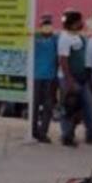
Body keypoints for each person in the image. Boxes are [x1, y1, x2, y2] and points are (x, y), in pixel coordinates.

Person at [57, 9, 92, 147]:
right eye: (79, 21)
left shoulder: (77, 35)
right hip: (69, 79)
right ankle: (67, 135)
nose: (81, 23)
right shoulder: (65, 38)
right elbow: (63, 60)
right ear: (73, 23)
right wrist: (69, 80)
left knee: (84, 106)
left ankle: (88, 134)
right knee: (69, 107)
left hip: (81, 77)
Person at [31, 14, 58, 143]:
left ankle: (43, 132)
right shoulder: (34, 37)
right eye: (44, 24)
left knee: (48, 106)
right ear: (40, 26)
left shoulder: (55, 38)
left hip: (50, 77)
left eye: (49, 24)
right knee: (34, 105)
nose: (46, 27)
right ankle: (33, 130)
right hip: (36, 77)